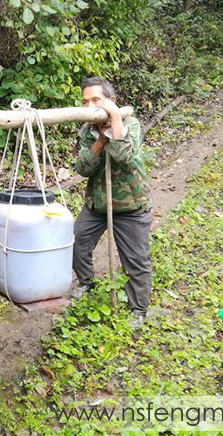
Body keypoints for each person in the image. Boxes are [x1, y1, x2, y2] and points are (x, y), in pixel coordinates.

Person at [72, 77, 153, 329]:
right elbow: (83, 168)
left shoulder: (132, 124)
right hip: (97, 204)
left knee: (136, 259)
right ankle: (86, 282)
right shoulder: (87, 131)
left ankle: (138, 308)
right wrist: (100, 140)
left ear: (111, 101)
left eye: (96, 100)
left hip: (131, 206)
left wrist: (115, 121)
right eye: (85, 101)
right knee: (77, 241)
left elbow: (123, 155)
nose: (91, 106)